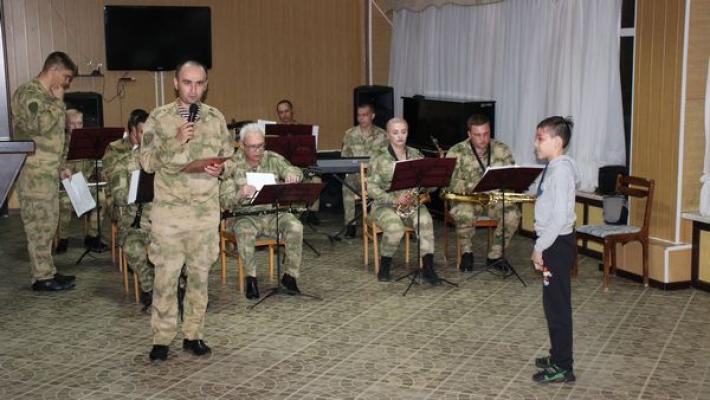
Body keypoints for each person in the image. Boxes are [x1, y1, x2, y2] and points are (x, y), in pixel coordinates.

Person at [140, 60, 234, 361]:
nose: (194, 89)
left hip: (204, 213)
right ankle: (161, 338)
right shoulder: (159, 118)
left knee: (199, 278)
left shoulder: (215, 118)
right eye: (187, 82)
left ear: (206, 85)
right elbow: (147, 162)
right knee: (165, 279)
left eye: (199, 83)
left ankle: (194, 334)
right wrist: (175, 141)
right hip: (169, 214)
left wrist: (221, 169)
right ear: (175, 83)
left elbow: (229, 160)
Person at [11, 51, 77, 291]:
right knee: (38, 226)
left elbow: (54, 139)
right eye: (66, 77)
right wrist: (58, 103)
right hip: (34, 174)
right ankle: (41, 278)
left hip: (48, 172)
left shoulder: (48, 96)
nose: (67, 83)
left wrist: (60, 166)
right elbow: (39, 125)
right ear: (54, 70)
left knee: (48, 224)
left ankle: (48, 270)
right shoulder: (28, 93)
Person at [220, 123, 304, 299]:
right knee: (244, 230)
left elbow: (294, 169)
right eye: (253, 147)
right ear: (242, 145)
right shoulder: (232, 165)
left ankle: (290, 276)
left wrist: (293, 174)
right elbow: (224, 201)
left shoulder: (271, 158)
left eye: (261, 146)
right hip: (244, 216)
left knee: (295, 226)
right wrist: (239, 194)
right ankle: (251, 279)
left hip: (272, 214)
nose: (258, 151)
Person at [531, 116, 578, 383]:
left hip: (556, 243)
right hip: (554, 241)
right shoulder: (555, 167)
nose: (535, 143)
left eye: (540, 138)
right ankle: (557, 354)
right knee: (552, 304)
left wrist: (539, 248)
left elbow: (559, 217)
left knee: (557, 306)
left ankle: (563, 366)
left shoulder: (560, 171)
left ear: (557, 142)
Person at [445, 114, 521, 271]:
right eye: (477, 135)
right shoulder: (456, 151)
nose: (483, 139)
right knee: (464, 213)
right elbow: (449, 183)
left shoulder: (502, 149)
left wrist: (503, 187)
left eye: (486, 134)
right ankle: (467, 252)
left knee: (513, 214)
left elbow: (512, 178)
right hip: (467, 200)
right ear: (469, 134)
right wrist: (476, 186)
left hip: (494, 200)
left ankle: (495, 255)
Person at [367, 117, 439, 283]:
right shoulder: (378, 156)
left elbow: (428, 187)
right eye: (395, 132)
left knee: (426, 221)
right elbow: (371, 188)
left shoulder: (416, 155)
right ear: (388, 135)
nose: (400, 136)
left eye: (403, 132)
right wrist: (394, 199)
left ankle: (428, 268)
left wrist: (432, 182)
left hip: (412, 204)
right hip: (384, 205)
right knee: (395, 228)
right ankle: (385, 266)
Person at [103, 109, 154, 310]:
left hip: (161, 219)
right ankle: (149, 286)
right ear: (134, 133)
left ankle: (180, 286)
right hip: (134, 218)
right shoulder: (121, 159)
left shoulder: (161, 158)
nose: (147, 137)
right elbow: (119, 196)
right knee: (133, 247)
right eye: (142, 132)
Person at [56, 109, 109, 253]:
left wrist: (98, 172)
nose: (76, 127)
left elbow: (95, 162)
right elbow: (55, 164)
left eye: (79, 123)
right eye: (72, 124)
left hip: (85, 183)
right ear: (66, 125)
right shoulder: (59, 142)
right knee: (65, 202)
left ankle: (92, 236)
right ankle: (63, 238)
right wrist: (61, 171)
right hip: (66, 184)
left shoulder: (89, 141)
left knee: (101, 199)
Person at [340, 103, 387, 238]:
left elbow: (387, 159)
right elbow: (344, 158)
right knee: (347, 185)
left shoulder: (382, 135)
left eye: (365, 115)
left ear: (372, 116)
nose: (361, 118)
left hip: (375, 177)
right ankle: (350, 225)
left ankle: (376, 223)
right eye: (359, 115)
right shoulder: (350, 134)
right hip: (356, 176)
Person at [276, 99, 321, 224]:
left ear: (292, 111)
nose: (284, 115)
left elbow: (311, 152)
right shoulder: (276, 132)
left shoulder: (304, 131)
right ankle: (289, 213)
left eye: (286, 111)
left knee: (316, 179)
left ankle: (311, 212)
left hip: (302, 167)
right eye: (281, 112)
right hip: (284, 169)